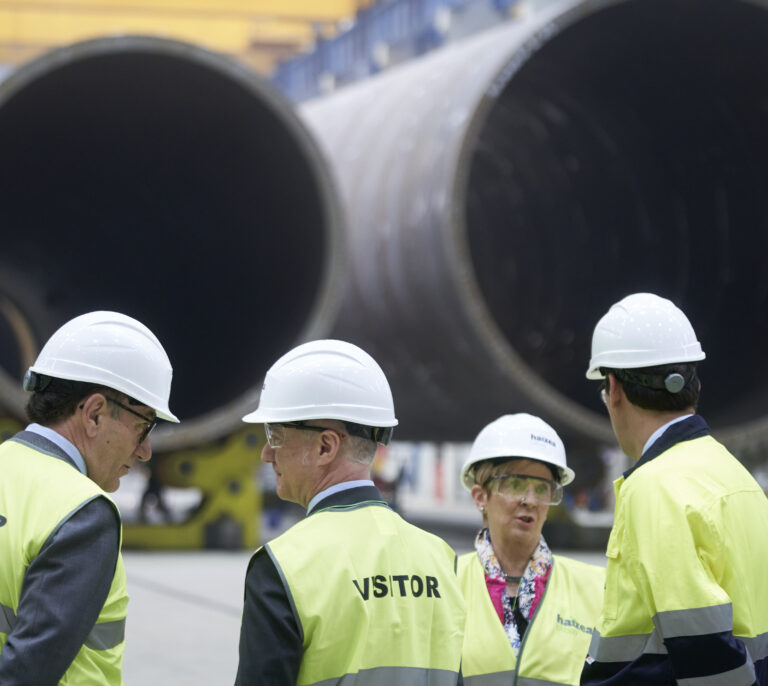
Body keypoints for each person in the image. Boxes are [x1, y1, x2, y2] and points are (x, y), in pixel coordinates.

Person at [234, 339, 466, 685]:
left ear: (326, 445)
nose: (267, 453)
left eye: (276, 434)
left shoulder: (283, 566)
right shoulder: (442, 560)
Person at [581, 292, 768, 685]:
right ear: (693, 387)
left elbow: (705, 650)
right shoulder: (737, 478)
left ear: (613, 388)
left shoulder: (654, 488)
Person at [0, 311, 178, 684]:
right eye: (143, 425)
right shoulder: (81, 512)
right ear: (95, 413)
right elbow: (27, 672)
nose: (145, 450)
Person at [459, 413, 605, 685]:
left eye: (542, 488)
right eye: (514, 484)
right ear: (480, 497)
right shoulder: (447, 581)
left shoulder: (595, 587)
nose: (530, 500)